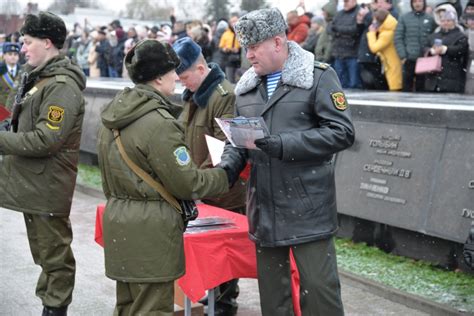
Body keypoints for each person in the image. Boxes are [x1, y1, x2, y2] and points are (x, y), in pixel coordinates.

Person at [218, 8, 355, 316]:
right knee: (273, 300)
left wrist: (284, 145)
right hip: (264, 210)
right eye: (246, 47)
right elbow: (239, 140)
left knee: (320, 296)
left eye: (255, 47)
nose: (249, 55)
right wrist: (226, 167)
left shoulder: (318, 77)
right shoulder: (246, 88)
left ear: (278, 42)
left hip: (308, 208)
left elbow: (342, 133)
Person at [96, 39, 230, 315]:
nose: (177, 78)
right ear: (158, 78)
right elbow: (188, 183)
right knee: (153, 308)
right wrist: (225, 173)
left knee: (128, 306)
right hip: (151, 234)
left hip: (121, 224)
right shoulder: (159, 123)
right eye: (172, 72)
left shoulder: (113, 116)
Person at [0, 11, 87, 316]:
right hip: (35, 183)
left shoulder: (61, 86)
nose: (22, 48)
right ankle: (50, 304)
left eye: (27, 42)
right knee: (44, 253)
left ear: (47, 43)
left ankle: (55, 308)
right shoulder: (39, 77)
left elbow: (46, 140)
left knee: (54, 256)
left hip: (47, 185)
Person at [172, 37, 247, 316]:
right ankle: (215, 295)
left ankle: (225, 304)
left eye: (185, 76)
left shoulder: (223, 96)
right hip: (203, 187)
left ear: (201, 69)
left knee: (223, 253)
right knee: (211, 253)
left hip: (223, 189)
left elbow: (224, 148)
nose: (182, 82)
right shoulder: (195, 97)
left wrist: (195, 180)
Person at [395, 0, 436, 92]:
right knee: (406, 89)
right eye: (415, 2)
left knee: (422, 90)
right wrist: (403, 56)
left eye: (420, 1)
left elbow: (434, 37)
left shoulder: (430, 19)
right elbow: (398, 37)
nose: (417, 4)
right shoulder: (404, 18)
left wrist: (430, 53)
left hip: (425, 60)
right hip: (409, 59)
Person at [424, 8, 469, 92]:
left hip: (452, 78)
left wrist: (446, 49)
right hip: (433, 79)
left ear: (454, 22)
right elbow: (424, 48)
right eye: (443, 21)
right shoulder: (433, 36)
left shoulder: (461, 36)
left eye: (448, 21)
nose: (445, 23)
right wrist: (431, 51)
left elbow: (461, 49)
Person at [328, 0, 363, 88]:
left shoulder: (359, 12)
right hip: (338, 53)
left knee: (354, 84)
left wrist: (338, 30)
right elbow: (329, 28)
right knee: (339, 84)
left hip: (353, 53)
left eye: (347, 1)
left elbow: (355, 30)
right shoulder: (339, 14)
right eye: (344, 1)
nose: (345, 3)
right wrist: (343, 31)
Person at [367, 9, 402, 91]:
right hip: (391, 64)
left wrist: (371, 33)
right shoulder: (388, 30)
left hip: (392, 66)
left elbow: (374, 48)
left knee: (395, 88)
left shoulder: (387, 34)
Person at [219, 13, 241, 83]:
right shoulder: (225, 34)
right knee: (230, 81)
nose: (234, 23)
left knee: (240, 81)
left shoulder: (242, 32)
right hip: (229, 60)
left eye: (235, 21)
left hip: (240, 61)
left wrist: (238, 49)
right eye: (232, 21)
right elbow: (220, 48)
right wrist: (225, 49)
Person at [0, 42, 21, 107]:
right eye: (10, 54)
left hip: (17, 109)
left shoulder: (23, 71)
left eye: (15, 54)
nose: (13, 57)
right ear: (4, 56)